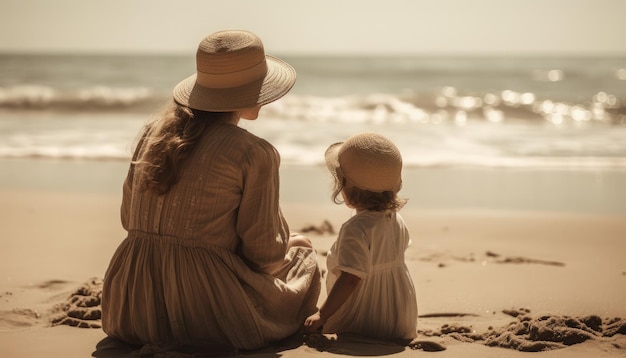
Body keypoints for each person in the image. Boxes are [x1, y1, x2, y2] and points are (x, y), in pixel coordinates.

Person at [101, 30, 321, 352]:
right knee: (304, 255)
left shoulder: (153, 133)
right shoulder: (253, 152)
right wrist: (290, 243)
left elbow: (127, 219)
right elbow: (263, 256)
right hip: (207, 317)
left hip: (129, 306)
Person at [304, 132, 418, 341]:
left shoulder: (355, 229)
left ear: (346, 187)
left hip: (366, 320)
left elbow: (350, 279)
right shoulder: (395, 219)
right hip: (401, 319)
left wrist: (322, 314)